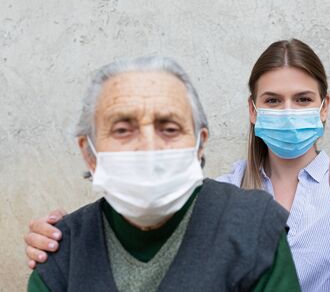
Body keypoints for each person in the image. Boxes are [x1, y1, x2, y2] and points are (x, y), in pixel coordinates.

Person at [25, 39, 330, 292]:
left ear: (323, 106)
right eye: (272, 101)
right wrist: (60, 242)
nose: (288, 112)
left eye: (303, 99)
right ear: (253, 110)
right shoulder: (224, 193)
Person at [26, 56, 301, 291]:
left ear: (199, 144)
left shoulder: (254, 230)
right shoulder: (61, 252)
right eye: (122, 130)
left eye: (169, 128)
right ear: (89, 153)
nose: (148, 145)